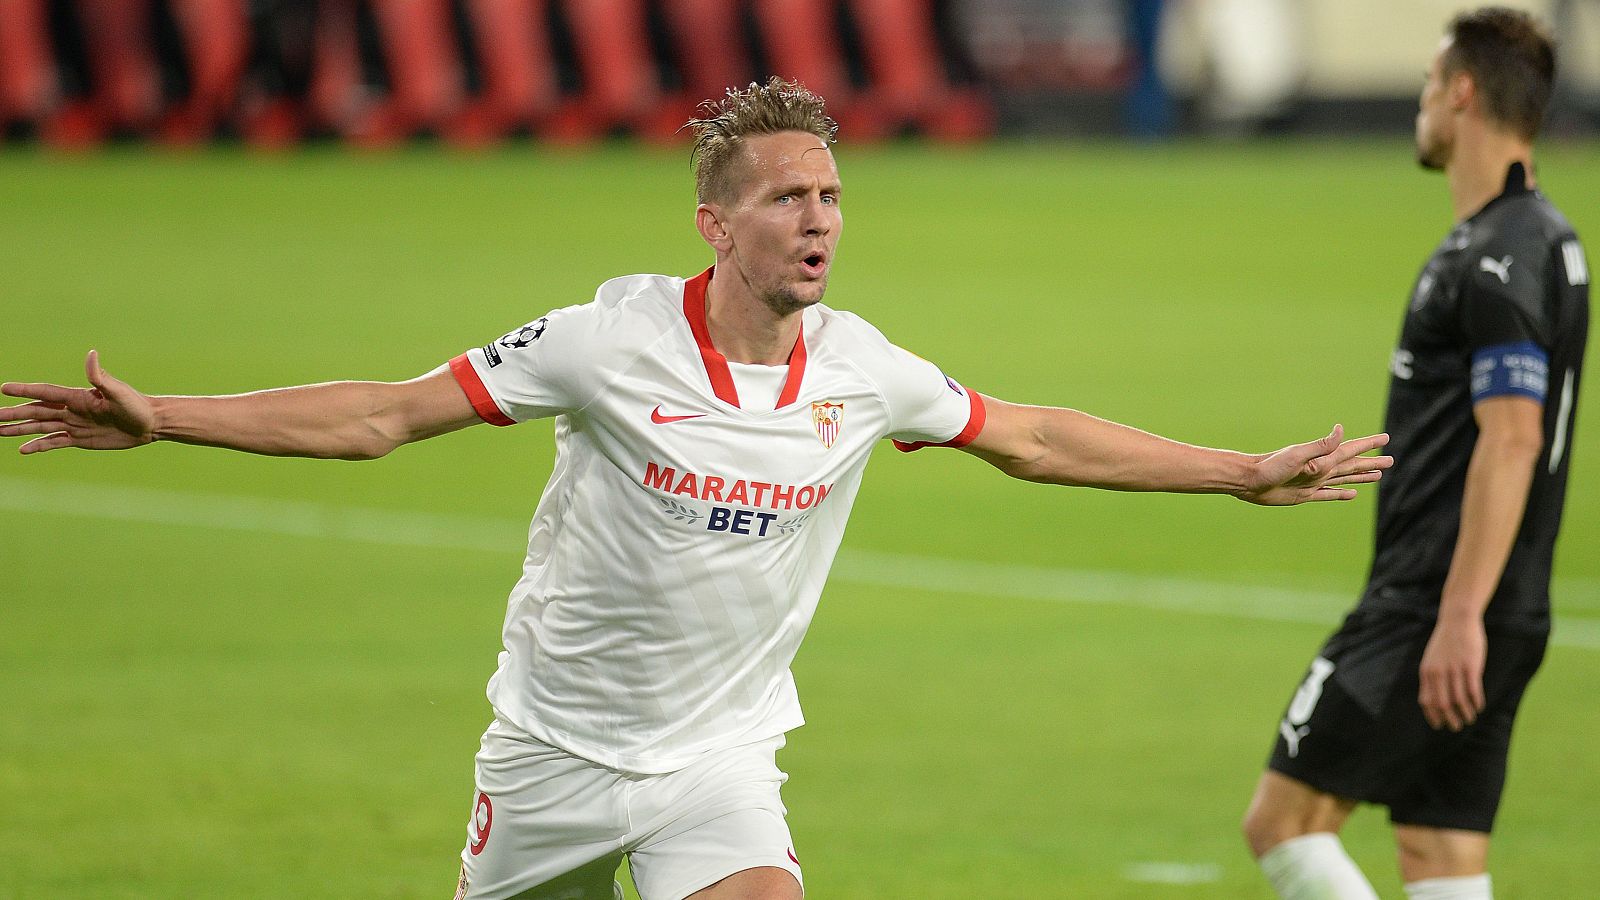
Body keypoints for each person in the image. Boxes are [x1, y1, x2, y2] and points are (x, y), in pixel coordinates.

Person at [1, 77, 1390, 900]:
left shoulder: (861, 372)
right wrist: (165, 417)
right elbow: (383, 415)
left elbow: (1031, 434)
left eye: (834, 197)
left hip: (718, 766)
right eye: (789, 199)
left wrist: (1238, 474)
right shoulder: (604, 343)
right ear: (715, 224)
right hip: (553, 754)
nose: (821, 222)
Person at [1241, 9, 1588, 900]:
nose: (1422, 102)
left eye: (1432, 84)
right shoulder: (1542, 238)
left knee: (1283, 825)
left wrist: (1458, 615)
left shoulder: (1499, 255)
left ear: (1463, 92)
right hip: (1503, 608)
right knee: (1439, 854)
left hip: (1435, 605)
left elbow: (1513, 440)